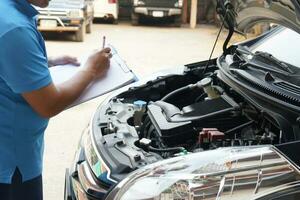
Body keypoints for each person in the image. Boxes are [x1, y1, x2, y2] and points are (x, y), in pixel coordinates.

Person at [0, 0, 112, 199]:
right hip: (11, 165)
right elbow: (48, 104)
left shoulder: (6, 12)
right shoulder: (14, 28)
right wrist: (91, 70)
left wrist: (46, 62)